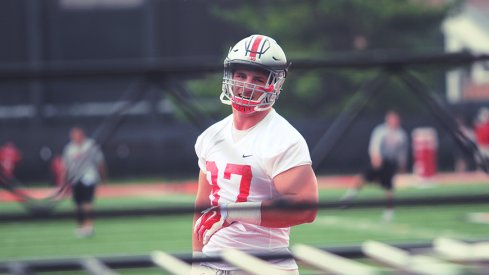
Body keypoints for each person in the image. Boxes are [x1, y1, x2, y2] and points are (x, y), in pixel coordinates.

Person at [192, 34, 318, 274]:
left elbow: (306, 208)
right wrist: (196, 263)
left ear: (275, 84)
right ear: (229, 75)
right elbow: (202, 210)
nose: (246, 84)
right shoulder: (211, 136)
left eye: (258, 78)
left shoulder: (284, 139)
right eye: (241, 75)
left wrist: (233, 211)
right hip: (211, 264)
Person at [341, 110, 408, 222]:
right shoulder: (381, 131)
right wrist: (375, 158)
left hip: (390, 163)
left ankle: (389, 213)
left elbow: (402, 152)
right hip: (378, 161)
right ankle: (347, 199)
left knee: (389, 188)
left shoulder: (401, 134)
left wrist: (402, 165)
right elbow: (374, 145)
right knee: (361, 179)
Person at [62, 127, 107, 238]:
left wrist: (103, 177)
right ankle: (80, 226)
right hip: (75, 178)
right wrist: (64, 180)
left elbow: (100, 162)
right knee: (78, 204)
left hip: (89, 177)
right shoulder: (69, 148)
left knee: (87, 202)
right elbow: (66, 166)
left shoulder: (91, 146)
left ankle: (88, 226)